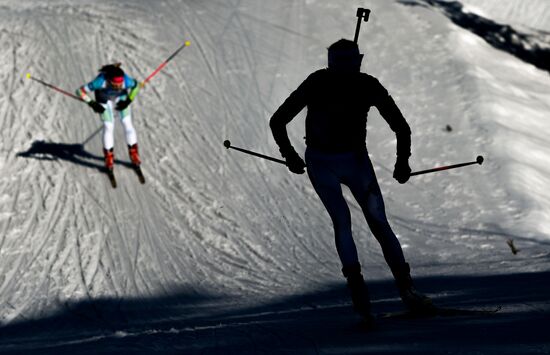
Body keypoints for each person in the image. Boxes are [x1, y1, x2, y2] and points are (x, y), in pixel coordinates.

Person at [269, 39, 432, 319]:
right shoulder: (366, 84)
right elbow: (401, 128)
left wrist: (291, 156)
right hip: (354, 162)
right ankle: (406, 290)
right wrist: (402, 162)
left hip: (322, 162)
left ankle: (361, 297)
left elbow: (277, 120)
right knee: (377, 223)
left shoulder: (319, 81)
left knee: (343, 222)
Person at [76, 63, 141, 171]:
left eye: (120, 84)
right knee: (108, 126)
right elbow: (80, 91)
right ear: (109, 80)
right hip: (103, 97)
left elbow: (136, 86)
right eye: (115, 84)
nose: (118, 86)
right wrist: (92, 103)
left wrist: (128, 100)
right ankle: (109, 156)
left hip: (121, 96)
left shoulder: (126, 81)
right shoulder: (100, 82)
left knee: (127, 122)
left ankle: (134, 153)